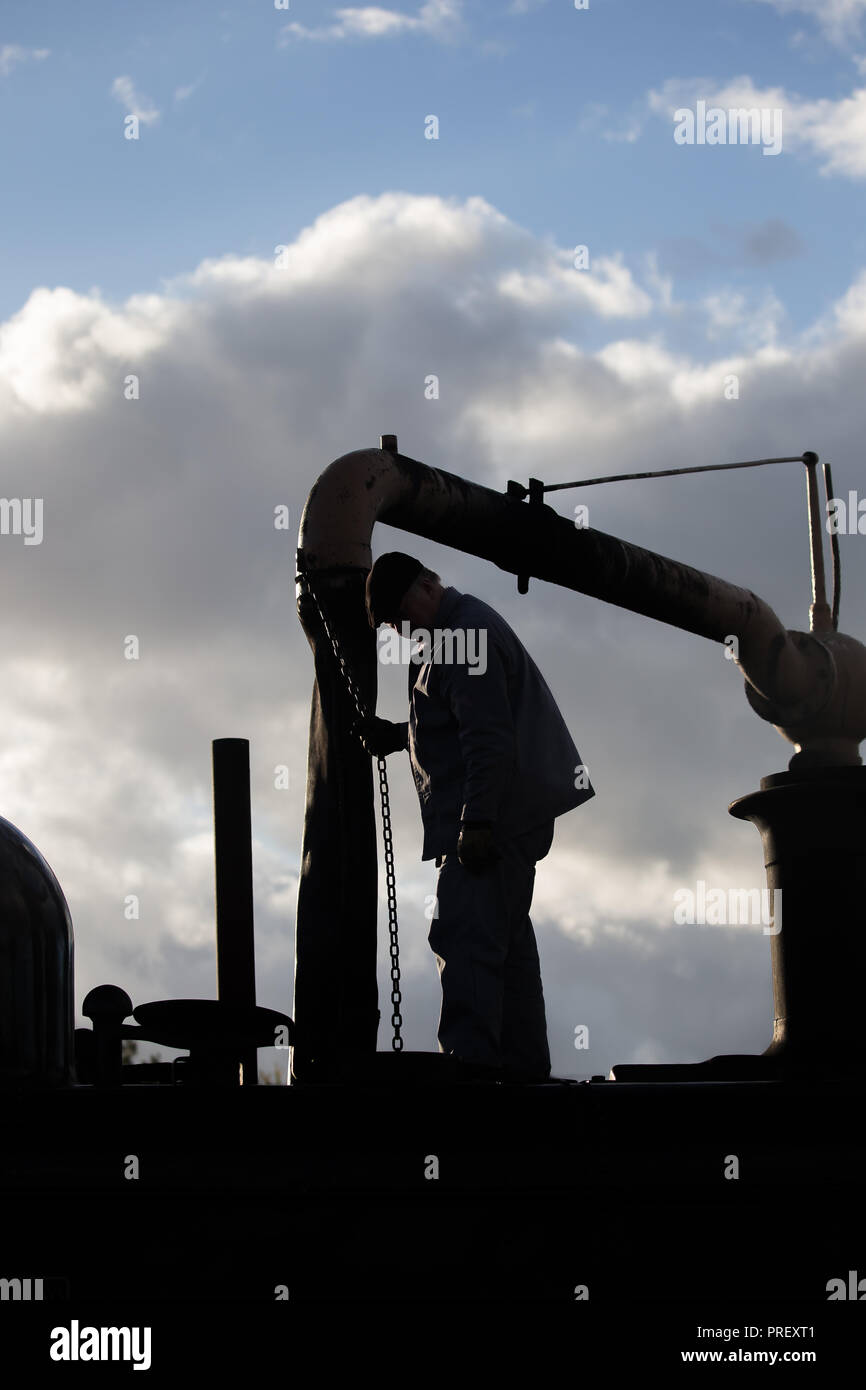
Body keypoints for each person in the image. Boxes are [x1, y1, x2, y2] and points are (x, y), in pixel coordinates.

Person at [355, 551, 595, 1083]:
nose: (399, 630)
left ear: (424, 586)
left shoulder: (463, 637)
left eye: (398, 617)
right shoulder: (451, 635)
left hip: (494, 824)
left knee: (465, 940)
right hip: (506, 820)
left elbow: (488, 739)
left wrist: (477, 824)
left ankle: (471, 1082)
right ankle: (525, 1075)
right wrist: (399, 736)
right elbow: (458, 720)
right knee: (505, 950)